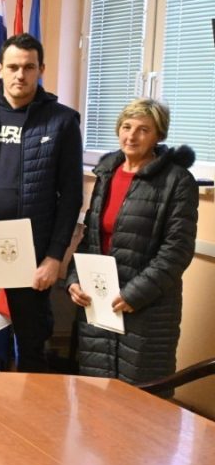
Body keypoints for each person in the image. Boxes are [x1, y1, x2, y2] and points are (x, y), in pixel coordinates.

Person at [0, 33, 83, 372]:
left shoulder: (62, 121)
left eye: (28, 67)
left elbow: (71, 196)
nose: (20, 75)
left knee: (33, 342)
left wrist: (54, 257)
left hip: (32, 253)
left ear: (41, 69)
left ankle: (32, 407)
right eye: (12, 67)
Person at [67, 99, 197, 384]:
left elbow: (177, 250)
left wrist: (133, 295)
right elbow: (90, 239)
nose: (132, 136)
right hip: (99, 302)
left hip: (147, 308)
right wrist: (75, 279)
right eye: (126, 127)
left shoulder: (177, 181)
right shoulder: (106, 174)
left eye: (143, 130)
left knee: (141, 398)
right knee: (97, 393)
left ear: (158, 135)